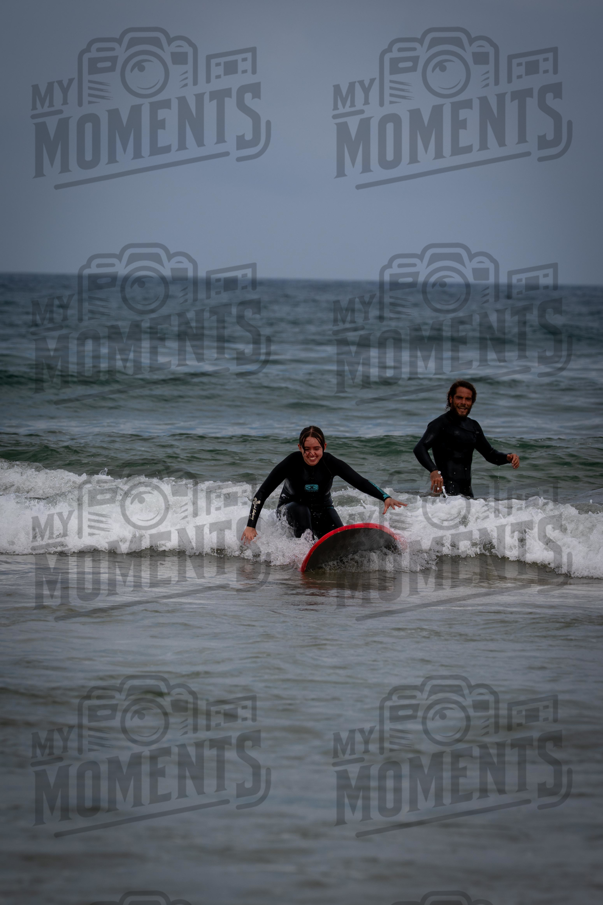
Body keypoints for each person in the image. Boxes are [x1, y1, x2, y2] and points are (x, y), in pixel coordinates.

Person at [241, 426, 406, 543]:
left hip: (322, 509)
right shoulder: (291, 462)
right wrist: (250, 526)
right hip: (290, 510)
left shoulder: (330, 463)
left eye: (316, 448)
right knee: (301, 510)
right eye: (307, 449)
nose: (312, 453)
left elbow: (360, 481)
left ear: (324, 447)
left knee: (340, 539)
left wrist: (385, 497)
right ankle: (302, 552)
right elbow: (262, 493)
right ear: (300, 448)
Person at [413, 380, 520, 498]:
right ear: (451, 399)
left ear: (472, 402)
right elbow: (420, 448)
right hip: (445, 497)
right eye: (459, 398)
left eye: (468, 399)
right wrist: (434, 471)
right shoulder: (440, 424)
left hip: (467, 496)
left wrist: (507, 457)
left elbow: (490, 454)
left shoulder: (473, 427)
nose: (463, 403)